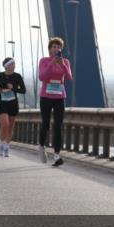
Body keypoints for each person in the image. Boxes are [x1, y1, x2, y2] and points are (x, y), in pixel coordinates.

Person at [38, 37, 73, 166]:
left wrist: (62, 65)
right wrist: (51, 64)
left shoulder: (66, 62)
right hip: (46, 96)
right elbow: (42, 77)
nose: (56, 49)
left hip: (59, 97)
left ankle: (57, 155)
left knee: (58, 126)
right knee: (45, 124)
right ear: (49, 49)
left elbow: (69, 77)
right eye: (54, 47)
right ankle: (41, 147)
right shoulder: (44, 61)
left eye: (59, 47)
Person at [0, 58, 26, 158]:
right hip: (2, 103)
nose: (14, 65)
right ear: (6, 66)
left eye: (14, 64)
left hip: (13, 103)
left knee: (10, 126)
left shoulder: (17, 76)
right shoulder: (0, 75)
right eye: (12, 64)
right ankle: (1, 144)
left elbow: (23, 90)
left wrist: (13, 88)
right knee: (5, 125)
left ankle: (7, 145)